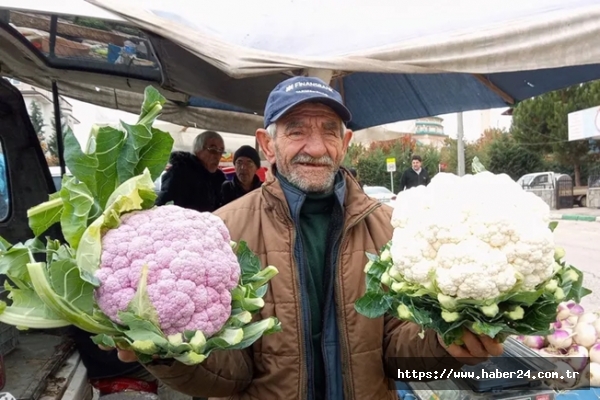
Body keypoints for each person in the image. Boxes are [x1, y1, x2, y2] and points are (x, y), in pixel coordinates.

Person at [105, 76, 503, 400]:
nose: (315, 147)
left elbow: (395, 359)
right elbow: (230, 379)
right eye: (296, 131)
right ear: (267, 145)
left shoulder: (393, 229)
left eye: (330, 131)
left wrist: (444, 346)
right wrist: (167, 354)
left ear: (345, 145)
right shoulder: (224, 233)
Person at [155, 130, 226, 212]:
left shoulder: (219, 178)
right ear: (197, 150)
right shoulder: (179, 172)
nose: (217, 156)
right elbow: (165, 204)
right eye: (212, 149)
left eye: (221, 151)